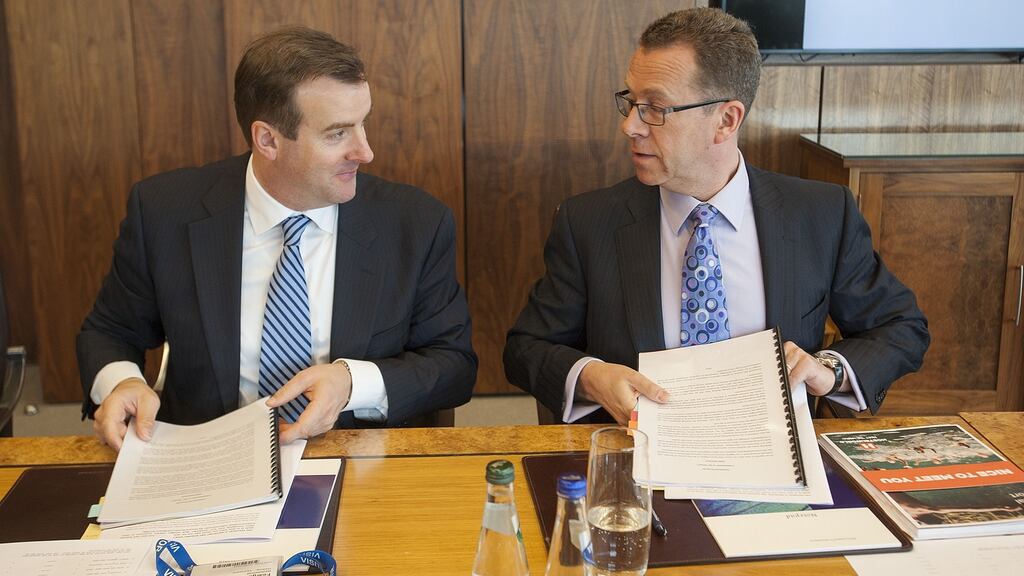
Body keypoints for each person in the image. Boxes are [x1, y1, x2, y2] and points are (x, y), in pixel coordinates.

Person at [503, 7, 928, 425]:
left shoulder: (820, 214)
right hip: (636, 460)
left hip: (773, 459)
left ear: (726, 120)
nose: (630, 126)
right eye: (631, 102)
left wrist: (827, 370)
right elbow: (527, 348)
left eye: (656, 108)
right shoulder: (588, 223)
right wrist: (592, 378)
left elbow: (901, 327)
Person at [78, 27, 476, 450]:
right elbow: (110, 330)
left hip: (356, 459)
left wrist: (350, 382)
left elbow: (453, 364)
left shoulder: (414, 223)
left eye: (363, 124)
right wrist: (120, 382)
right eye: (337, 133)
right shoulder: (164, 212)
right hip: (205, 460)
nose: (365, 151)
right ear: (267, 139)